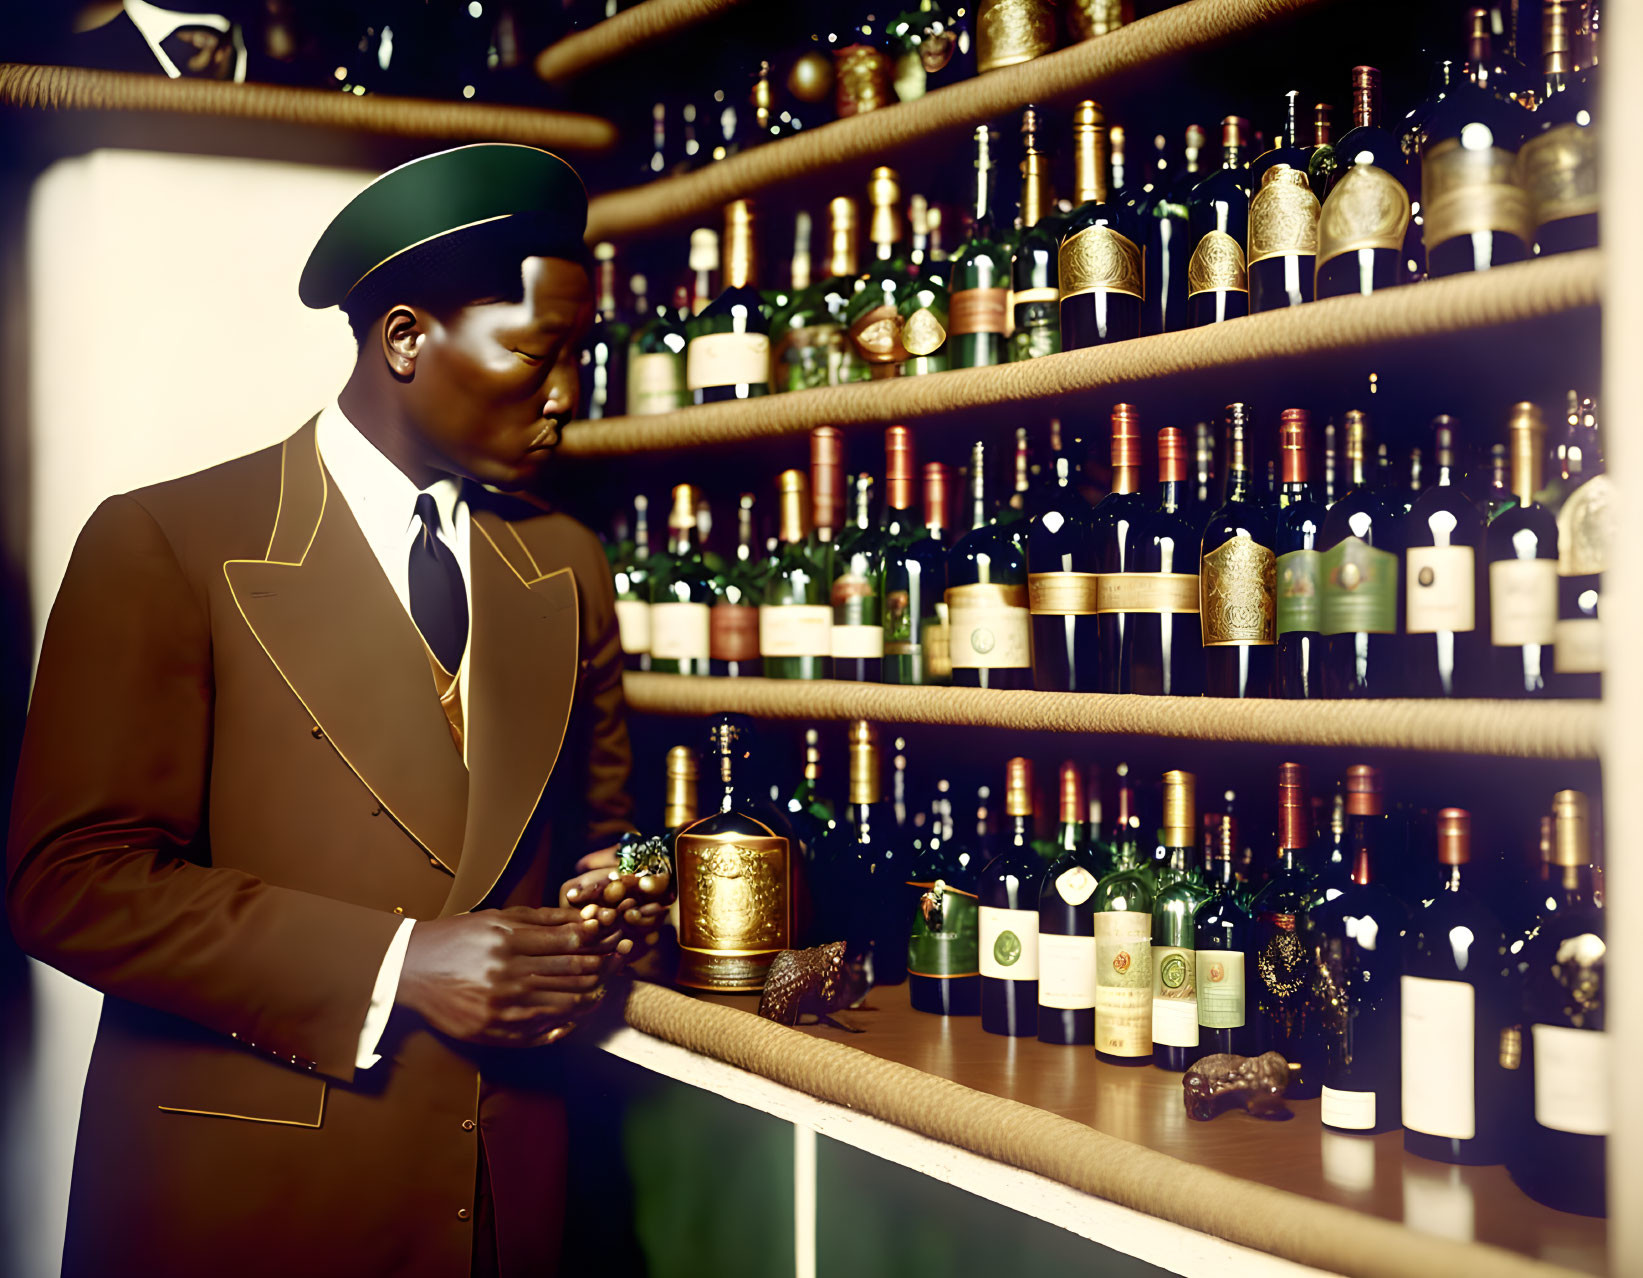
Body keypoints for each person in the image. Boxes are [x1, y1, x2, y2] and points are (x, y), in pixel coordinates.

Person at [5, 143, 668, 1278]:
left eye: (581, 356)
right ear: (406, 339)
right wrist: (400, 963)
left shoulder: (566, 563)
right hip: (254, 1199)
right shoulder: (166, 540)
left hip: (511, 1192)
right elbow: (67, 884)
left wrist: (624, 888)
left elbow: (612, 830)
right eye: (535, 351)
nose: (567, 395)